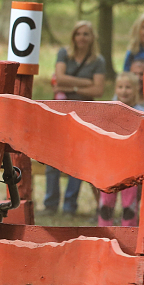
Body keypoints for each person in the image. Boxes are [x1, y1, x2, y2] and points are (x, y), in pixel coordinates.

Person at [42, 20, 106, 215]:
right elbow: (58, 78)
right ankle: (50, 204)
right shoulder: (64, 54)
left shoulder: (98, 61)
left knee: (77, 161)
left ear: (92, 37)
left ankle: (70, 206)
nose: (82, 37)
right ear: (73, 36)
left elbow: (99, 89)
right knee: (52, 158)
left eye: (86, 34)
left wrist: (73, 87)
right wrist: (85, 83)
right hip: (60, 112)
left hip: (84, 114)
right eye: (78, 33)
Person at [98, 72, 144, 226]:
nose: (124, 90)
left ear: (137, 89)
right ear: (115, 89)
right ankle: (103, 234)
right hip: (110, 163)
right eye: (121, 87)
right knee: (106, 200)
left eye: (128, 87)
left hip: (131, 164)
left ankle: (128, 232)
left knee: (129, 202)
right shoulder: (110, 110)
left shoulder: (141, 112)